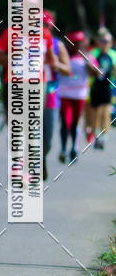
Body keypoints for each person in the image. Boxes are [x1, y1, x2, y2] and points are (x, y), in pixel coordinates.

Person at [58, 32, 98, 163]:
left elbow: (97, 74)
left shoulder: (88, 56)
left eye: (80, 43)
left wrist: (88, 62)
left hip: (80, 95)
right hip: (64, 94)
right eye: (74, 43)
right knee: (66, 121)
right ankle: (64, 149)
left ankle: (73, 149)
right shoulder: (64, 55)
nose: (77, 46)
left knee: (76, 122)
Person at [42, 11, 70, 180]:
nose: (43, 29)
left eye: (46, 26)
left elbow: (68, 69)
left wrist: (55, 64)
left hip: (51, 93)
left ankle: (41, 157)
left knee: (48, 139)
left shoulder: (58, 45)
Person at [90, 29, 116, 149]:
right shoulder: (94, 53)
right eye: (102, 41)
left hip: (107, 87)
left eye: (106, 41)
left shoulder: (113, 55)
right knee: (95, 113)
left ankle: (104, 137)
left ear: (111, 42)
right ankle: (96, 135)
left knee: (105, 112)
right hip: (95, 87)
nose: (104, 43)